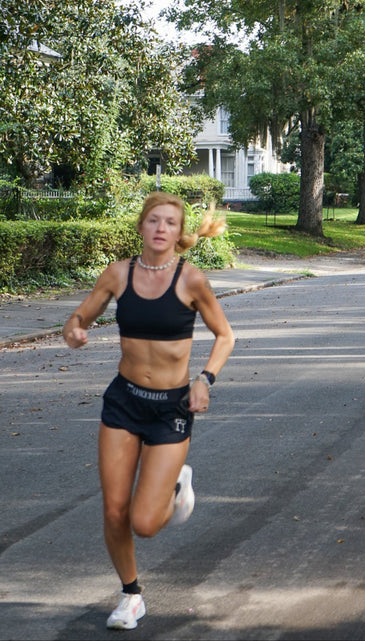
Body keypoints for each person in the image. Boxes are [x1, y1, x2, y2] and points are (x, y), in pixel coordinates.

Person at [63, 191, 235, 630]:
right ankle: (131, 596)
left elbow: (225, 336)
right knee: (114, 511)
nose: (161, 228)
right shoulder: (118, 274)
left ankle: (177, 485)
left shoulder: (191, 279)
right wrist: (75, 330)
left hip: (170, 409)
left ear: (179, 234)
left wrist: (205, 379)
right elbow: (77, 319)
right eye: (154, 220)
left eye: (170, 223)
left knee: (144, 523)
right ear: (141, 226)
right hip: (123, 402)